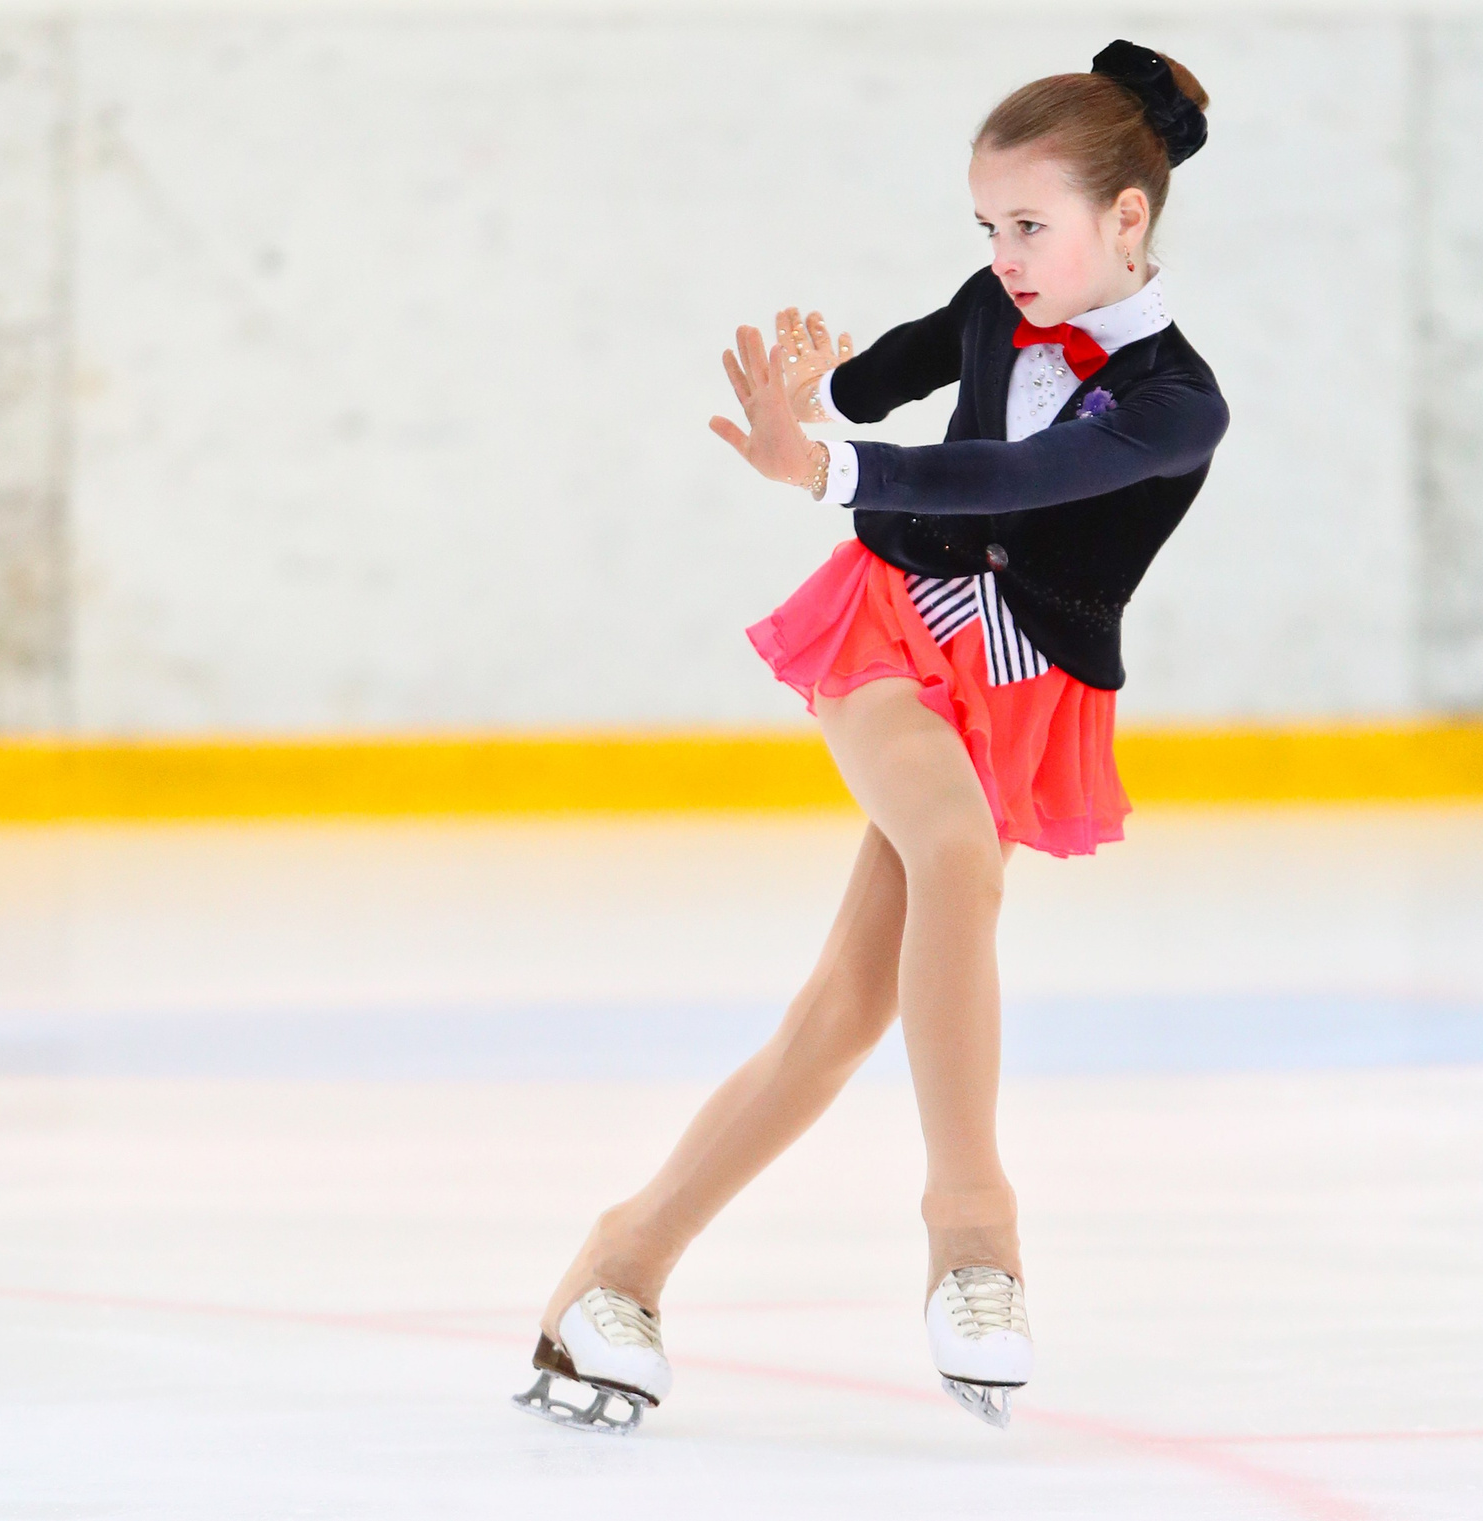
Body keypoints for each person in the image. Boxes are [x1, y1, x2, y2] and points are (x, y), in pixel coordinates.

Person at [513, 39, 1228, 1436]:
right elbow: (874, 383)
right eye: (989, 226)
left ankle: (618, 1267)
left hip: (1024, 687)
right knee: (955, 854)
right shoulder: (987, 305)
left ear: (1125, 220)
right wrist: (816, 400)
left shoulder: (1175, 404)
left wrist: (829, 463)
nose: (1006, 255)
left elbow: (1024, 474)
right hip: (893, 627)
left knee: (841, 1014)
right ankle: (975, 1239)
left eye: (1031, 225)